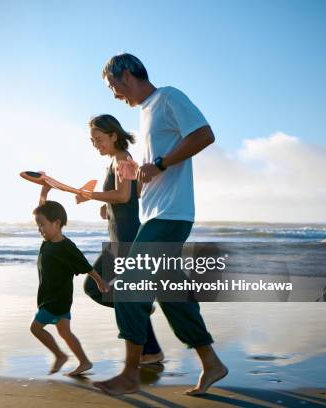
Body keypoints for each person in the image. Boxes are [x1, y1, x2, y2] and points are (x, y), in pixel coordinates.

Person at [92, 53, 228, 396]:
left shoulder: (168, 97)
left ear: (126, 75)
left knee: (127, 289)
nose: (114, 95)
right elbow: (155, 166)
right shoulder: (145, 111)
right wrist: (138, 173)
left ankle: (129, 373)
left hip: (171, 215)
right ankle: (211, 363)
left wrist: (162, 163)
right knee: (173, 296)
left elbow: (204, 134)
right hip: (155, 214)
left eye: (113, 86)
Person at [77, 114, 164, 365]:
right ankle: (146, 333)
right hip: (117, 237)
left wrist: (90, 195)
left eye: (99, 139)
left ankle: (150, 348)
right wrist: (107, 205)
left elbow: (124, 195)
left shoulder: (123, 159)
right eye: (92, 140)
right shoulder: (117, 161)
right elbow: (135, 192)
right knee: (96, 287)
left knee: (99, 288)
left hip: (127, 238)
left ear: (114, 135)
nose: (96, 144)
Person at [30, 199, 109, 376]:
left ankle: (59, 356)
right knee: (65, 332)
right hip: (55, 296)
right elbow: (43, 208)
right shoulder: (49, 241)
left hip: (56, 299)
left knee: (35, 328)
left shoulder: (65, 246)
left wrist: (99, 281)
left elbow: (84, 264)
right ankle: (84, 362)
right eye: (38, 225)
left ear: (57, 223)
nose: (39, 229)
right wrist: (44, 190)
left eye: (42, 225)